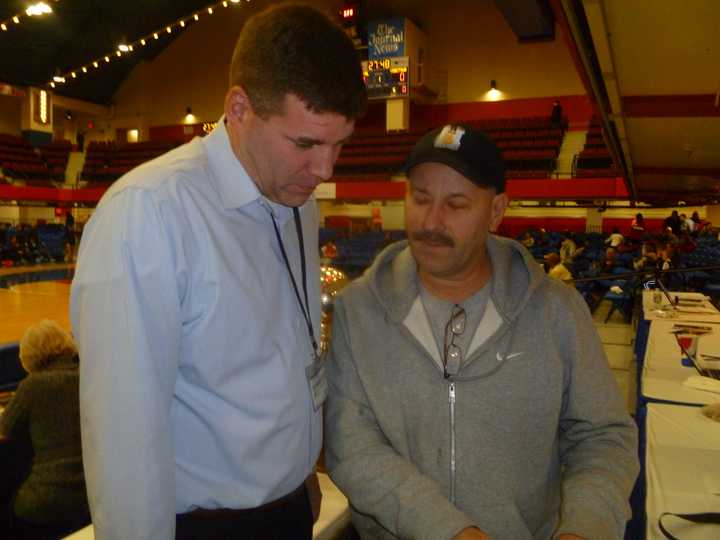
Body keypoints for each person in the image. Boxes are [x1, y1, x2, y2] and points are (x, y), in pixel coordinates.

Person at [70, 4, 366, 540]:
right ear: (239, 108)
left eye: (338, 145)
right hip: (206, 525)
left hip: (290, 506)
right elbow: (124, 441)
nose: (325, 170)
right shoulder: (149, 213)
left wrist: (298, 475)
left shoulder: (298, 201)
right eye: (305, 144)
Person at [325, 124, 638, 540]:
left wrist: (585, 529)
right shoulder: (358, 309)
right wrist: (450, 531)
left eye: (456, 204)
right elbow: (351, 445)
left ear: (496, 210)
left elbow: (603, 436)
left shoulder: (556, 310)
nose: (431, 221)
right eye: (419, 198)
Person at [0, 320, 90, 538]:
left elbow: (5, 431)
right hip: (90, 497)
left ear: (28, 356)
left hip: (45, 503)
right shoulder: (87, 379)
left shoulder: (33, 386)